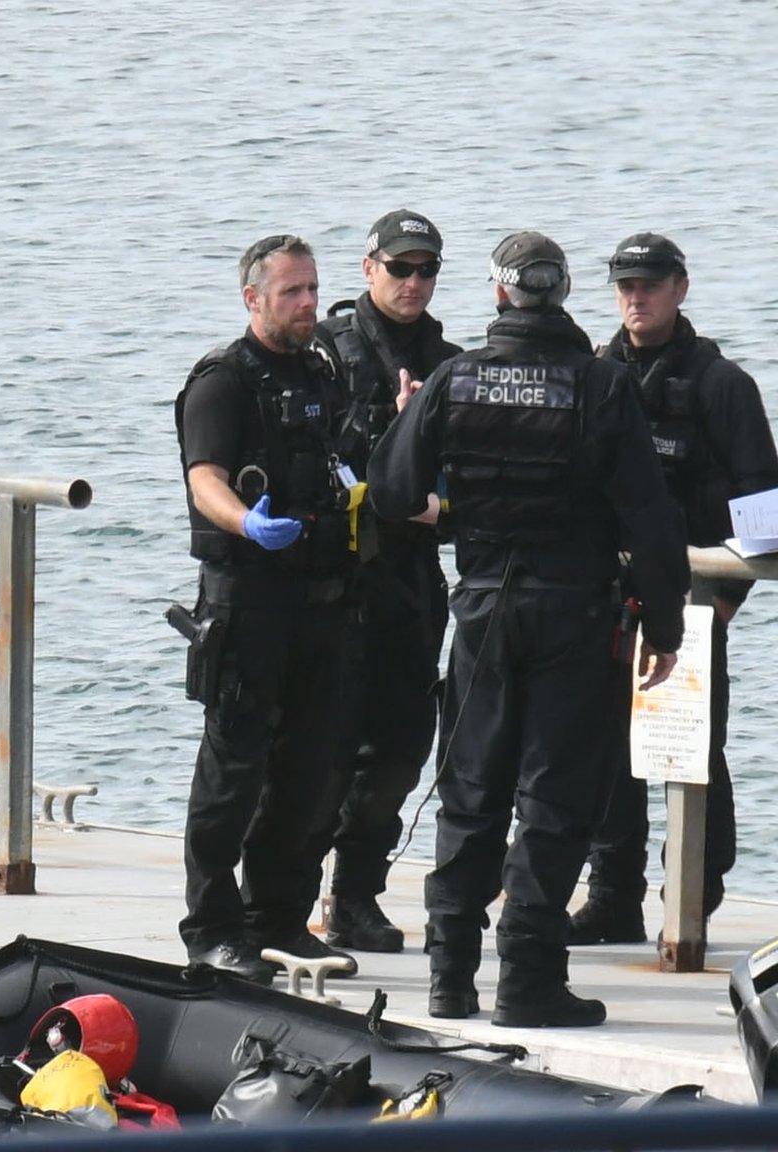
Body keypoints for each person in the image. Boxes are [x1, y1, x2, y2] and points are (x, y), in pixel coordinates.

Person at [366, 231, 688, 1028]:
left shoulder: (455, 377)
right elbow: (652, 521)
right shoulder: (603, 385)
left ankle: (449, 975)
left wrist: (421, 439)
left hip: (481, 608)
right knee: (554, 799)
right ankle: (528, 981)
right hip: (576, 615)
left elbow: (392, 489)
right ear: (564, 293)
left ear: (500, 294)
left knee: (470, 790)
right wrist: (666, 622)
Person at [570, 233, 778, 943]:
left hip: (693, 603)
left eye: (650, 284)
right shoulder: (595, 374)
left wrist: (717, 610)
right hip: (603, 600)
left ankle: (697, 891)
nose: (636, 297)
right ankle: (612, 897)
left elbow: (764, 513)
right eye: (625, 285)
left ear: (680, 288)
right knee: (605, 750)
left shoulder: (723, 387)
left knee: (694, 750)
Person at [173, 234, 361, 984]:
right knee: (234, 770)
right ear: (254, 299)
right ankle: (212, 927)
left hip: (320, 602)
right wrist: (245, 522)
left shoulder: (322, 373)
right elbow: (204, 478)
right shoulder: (224, 381)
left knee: (311, 772)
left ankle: (279, 916)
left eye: (314, 289)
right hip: (246, 603)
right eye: (293, 293)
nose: (310, 305)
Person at [317, 211, 461, 954]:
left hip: (411, 577)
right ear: (367, 266)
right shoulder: (327, 353)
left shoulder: (454, 361)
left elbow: (471, 478)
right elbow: (309, 455)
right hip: (336, 579)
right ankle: (280, 893)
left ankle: (356, 892)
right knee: (321, 745)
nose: (412, 283)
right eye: (399, 268)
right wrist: (391, 437)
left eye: (426, 270)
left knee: (402, 745)